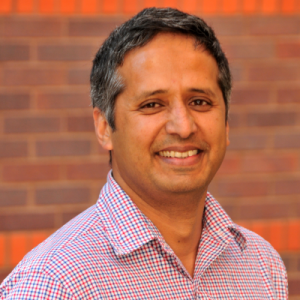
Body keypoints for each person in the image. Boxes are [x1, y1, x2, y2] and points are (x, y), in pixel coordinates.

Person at [0, 7, 288, 299]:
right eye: (152, 104)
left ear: (226, 123)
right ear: (104, 128)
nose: (183, 126)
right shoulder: (54, 284)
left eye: (199, 101)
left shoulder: (262, 265)